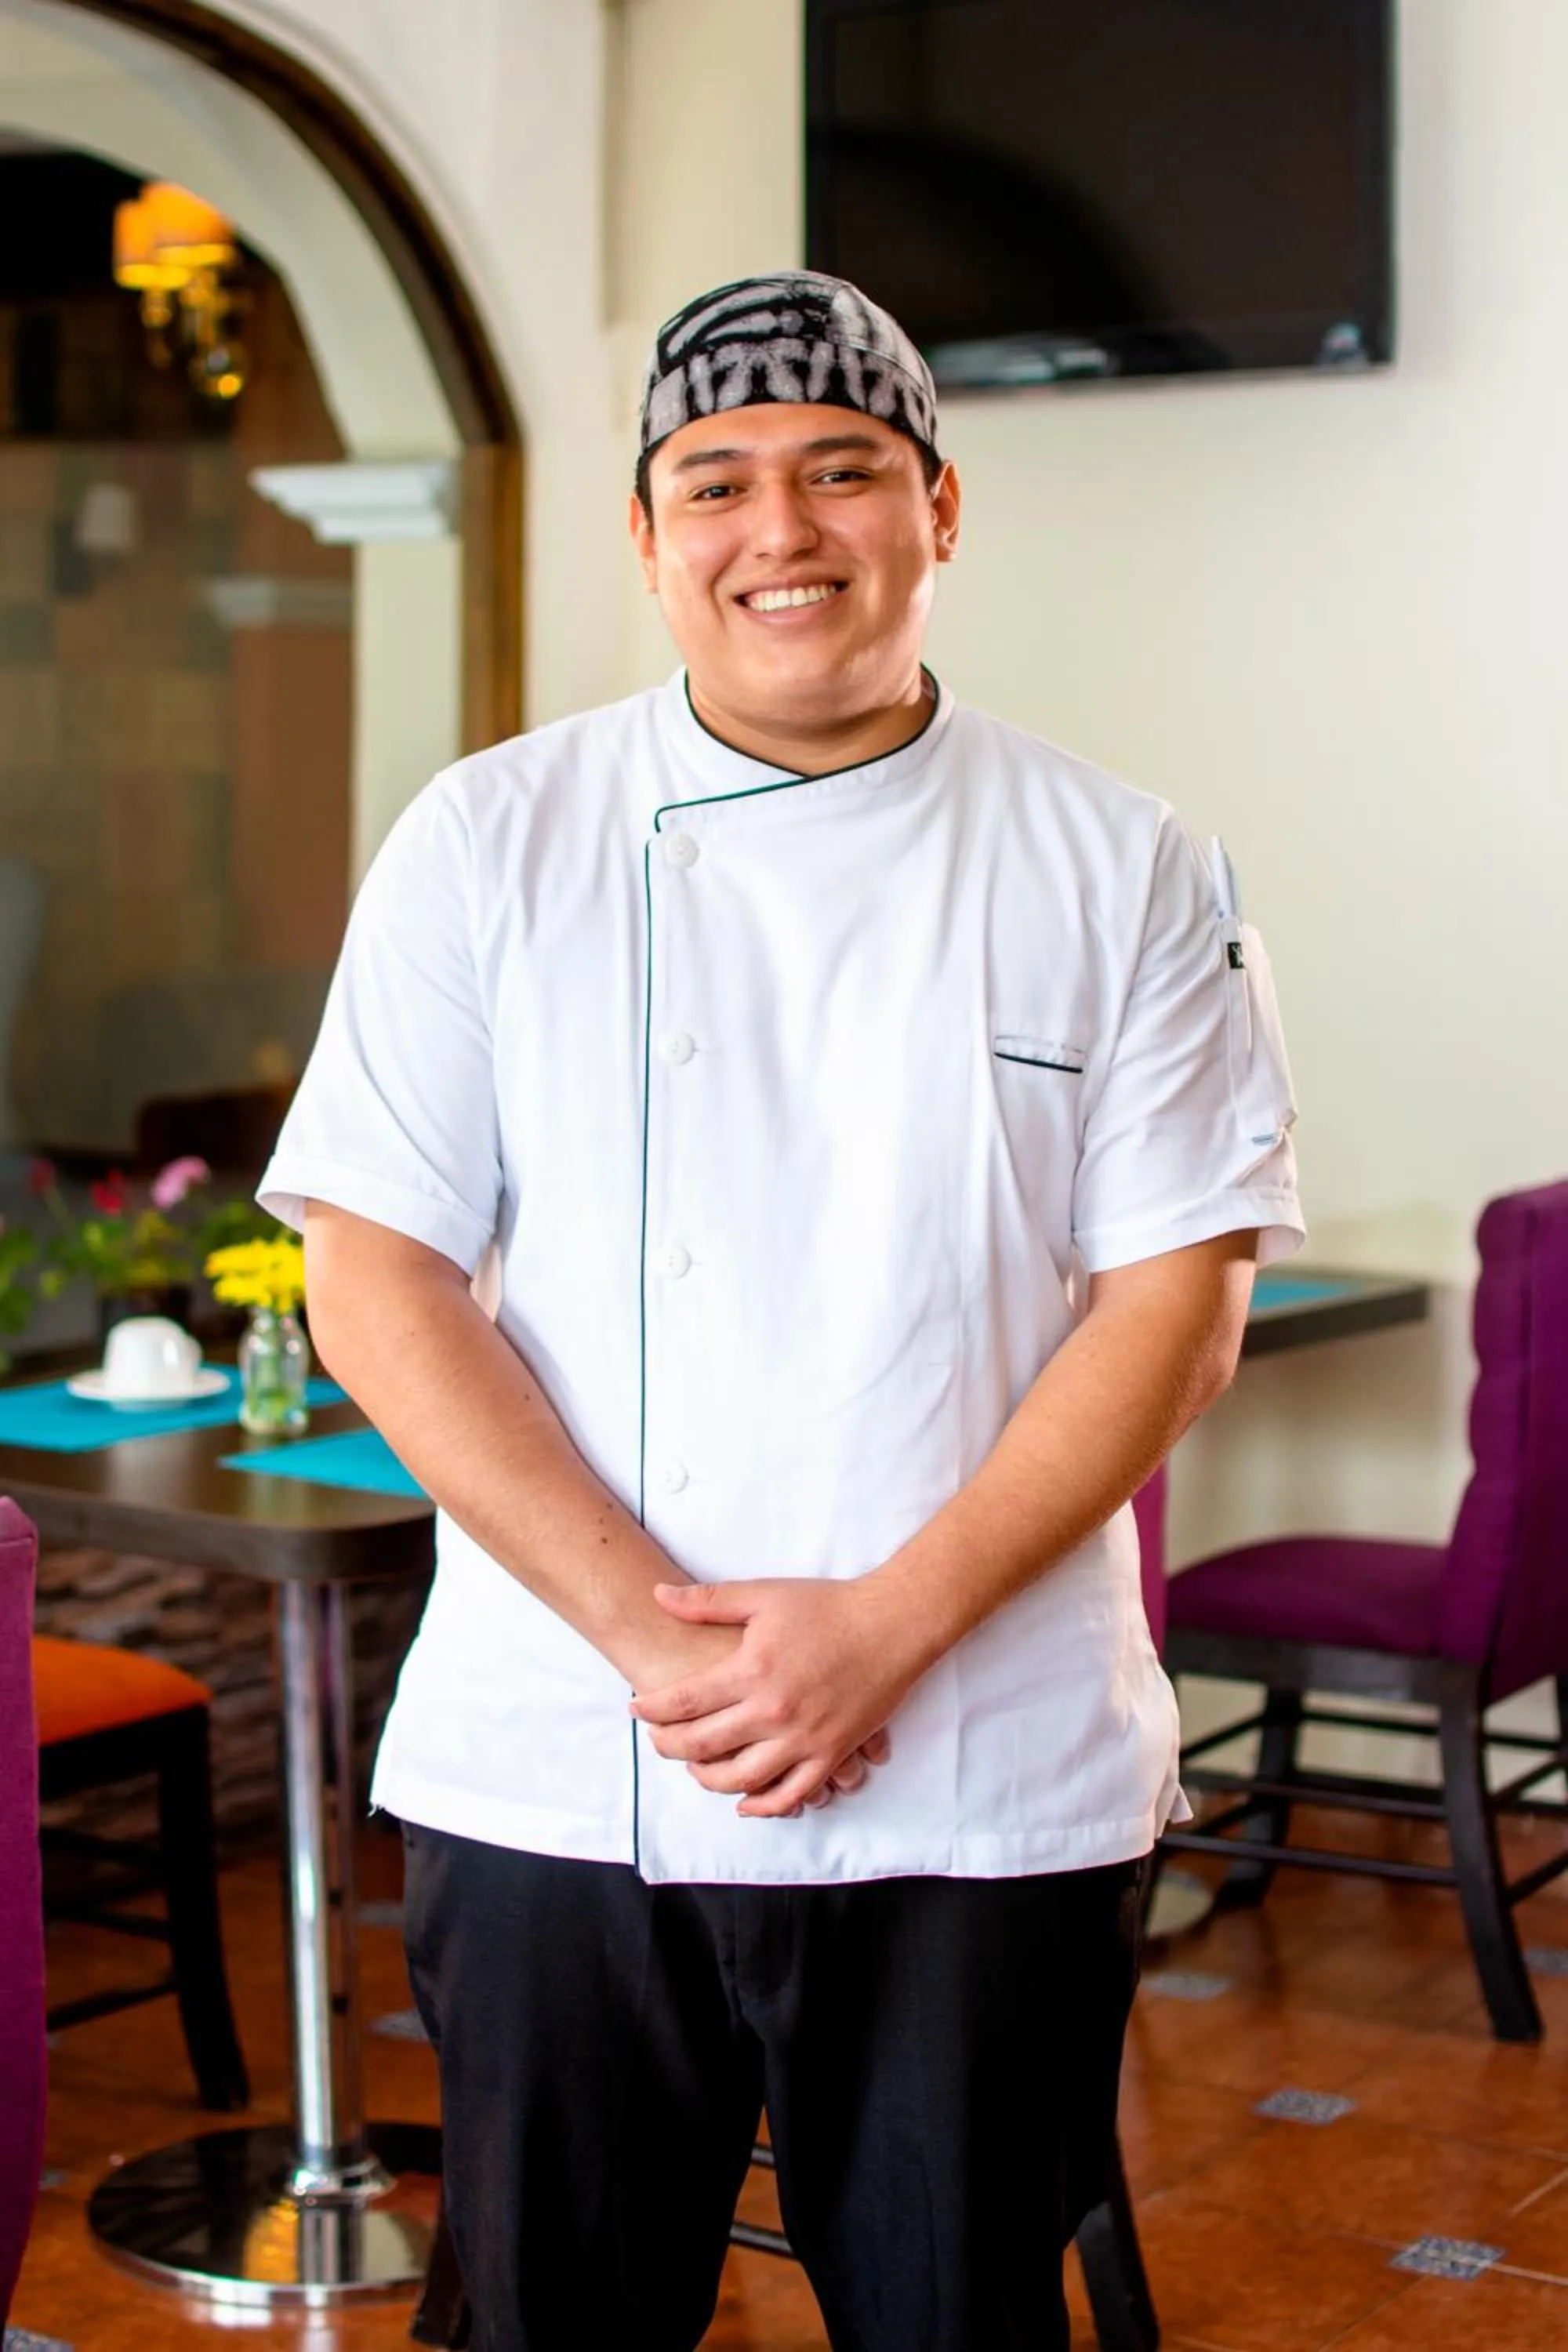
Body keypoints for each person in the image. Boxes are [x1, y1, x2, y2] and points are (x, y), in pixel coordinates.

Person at [260, 270, 1303, 2352]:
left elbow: (1176, 1305)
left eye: (843, 472)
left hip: (983, 1770)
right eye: (714, 481)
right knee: (549, 2319)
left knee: (954, 2313)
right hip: (568, 1753)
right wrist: (656, 1632)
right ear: (646, 539)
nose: (782, 529)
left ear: (939, 508)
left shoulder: (1122, 862)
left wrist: (885, 1629)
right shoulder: (489, 843)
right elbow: (374, 1277)